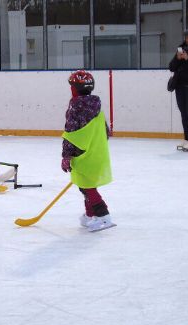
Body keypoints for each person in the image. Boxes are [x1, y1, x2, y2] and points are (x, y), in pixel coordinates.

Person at [61, 70, 116, 232]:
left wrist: (66, 156)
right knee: (85, 184)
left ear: (75, 89)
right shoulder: (97, 106)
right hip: (97, 152)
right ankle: (90, 214)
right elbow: (105, 132)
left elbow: (71, 133)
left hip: (81, 153)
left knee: (87, 187)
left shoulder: (75, 106)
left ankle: (103, 216)